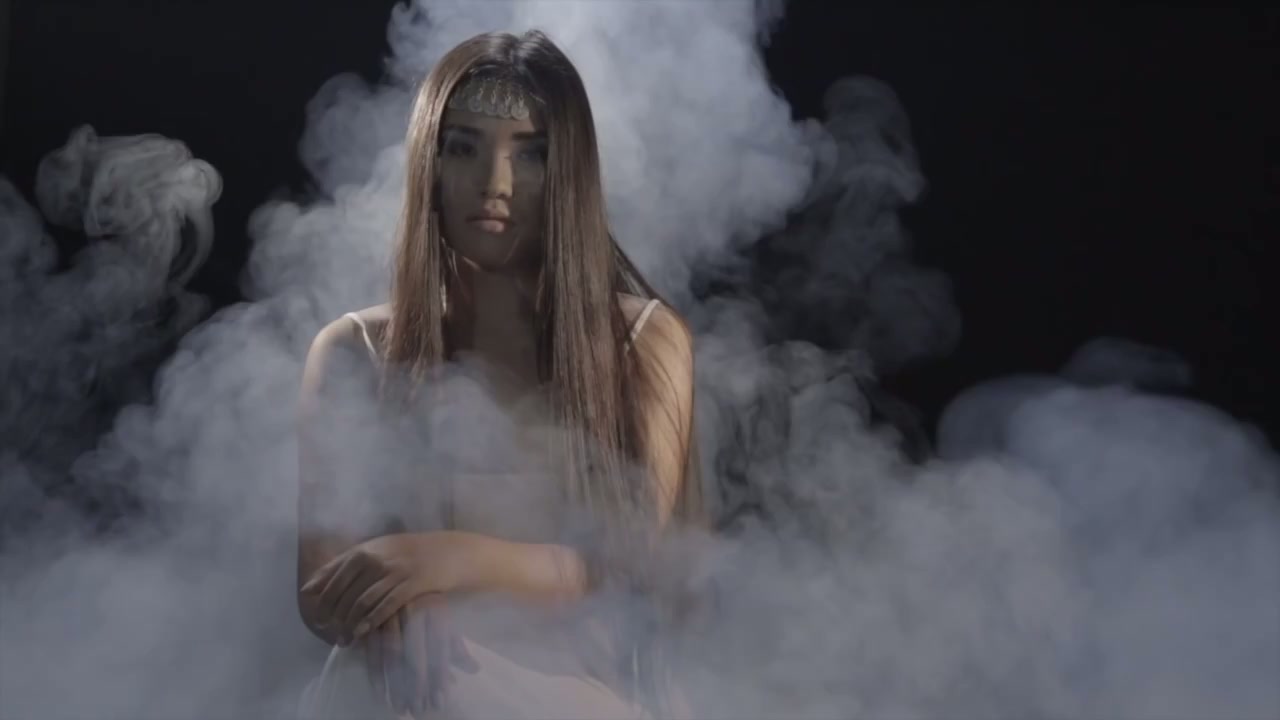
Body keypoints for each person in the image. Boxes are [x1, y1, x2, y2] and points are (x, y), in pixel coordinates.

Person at [294, 29, 703, 720]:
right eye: (464, 148)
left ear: (570, 172)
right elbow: (320, 586)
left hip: (593, 690)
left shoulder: (644, 341)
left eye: (531, 154)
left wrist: (444, 561)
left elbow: (631, 564)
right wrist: (401, 615)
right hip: (407, 685)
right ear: (428, 163)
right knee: (401, 677)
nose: (495, 183)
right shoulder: (352, 351)